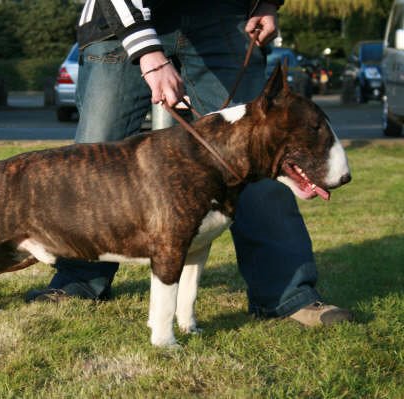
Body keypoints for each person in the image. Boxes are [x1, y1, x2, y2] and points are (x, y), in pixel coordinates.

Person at [26, 0, 353, 326]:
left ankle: (287, 295)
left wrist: (266, 1)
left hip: (223, 18)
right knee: (92, 165)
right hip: (119, 22)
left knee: (263, 152)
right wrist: (149, 54)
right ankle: (79, 281)